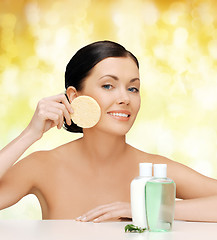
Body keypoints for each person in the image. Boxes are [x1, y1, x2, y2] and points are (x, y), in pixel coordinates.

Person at [0, 40, 217, 222]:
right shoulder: (43, 166)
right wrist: (30, 134)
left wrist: (146, 211)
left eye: (133, 88)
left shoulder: (154, 173)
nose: (125, 98)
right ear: (75, 97)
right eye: (108, 86)